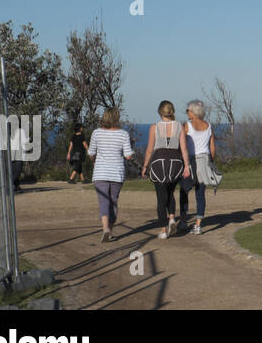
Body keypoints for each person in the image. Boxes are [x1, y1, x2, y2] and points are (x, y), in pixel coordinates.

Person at [140, 101, 193, 239]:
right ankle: (171, 219)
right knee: (170, 193)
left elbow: (150, 149)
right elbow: (184, 149)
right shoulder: (179, 126)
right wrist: (186, 166)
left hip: (159, 163)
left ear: (160, 112)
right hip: (175, 162)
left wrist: (145, 166)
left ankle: (164, 230)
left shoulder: (154, 127)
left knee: (161, 196)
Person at [88, 107, 134, 243]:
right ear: (117, 118)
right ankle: (110, 229)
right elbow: (128, 156)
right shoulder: (123, 134)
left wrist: (95, 161)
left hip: (100, 173)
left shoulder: (96, 133)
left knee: (103, 201)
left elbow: (91, 153)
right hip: (116, 173)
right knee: (113, 201)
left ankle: (105, 229)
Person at [179, 100, 216, 235]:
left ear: (193, 112)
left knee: (184, 190)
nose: (187, 112)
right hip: (205, 160)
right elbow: (212, 148)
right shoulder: (208, 126)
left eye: (188, 110)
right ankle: (198, 225)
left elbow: (181, 143)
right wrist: (211, 163)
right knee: (200, 194)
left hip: (192, 160)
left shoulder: (187, 125)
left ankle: (183, 220)